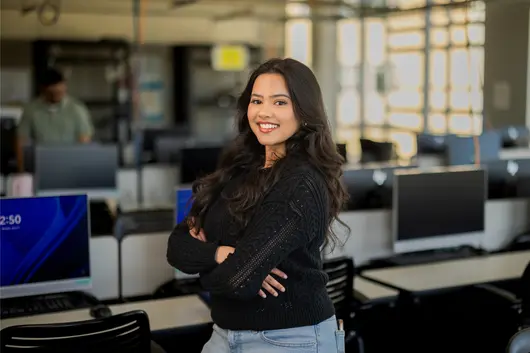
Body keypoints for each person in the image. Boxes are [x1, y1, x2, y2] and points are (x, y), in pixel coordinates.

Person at [166, 58, 350, 352]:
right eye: (256, 100)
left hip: (291, 339)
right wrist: (220, 254)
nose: (264, 112)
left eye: (280, 102)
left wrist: (237, 268)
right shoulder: (238, 169)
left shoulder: (300, 184)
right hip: (225, 333)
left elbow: (236, 282)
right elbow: (176, 245)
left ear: (304, 112)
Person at [16, 68, 94, 171]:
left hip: (71, 166)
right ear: (43, 90)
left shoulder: (77, 110)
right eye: (52, 93)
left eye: (60, 92)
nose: (57, 95)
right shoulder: (31, 110)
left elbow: (84, 141)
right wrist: (22, 171)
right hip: (41, 165)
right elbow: (21, 142)